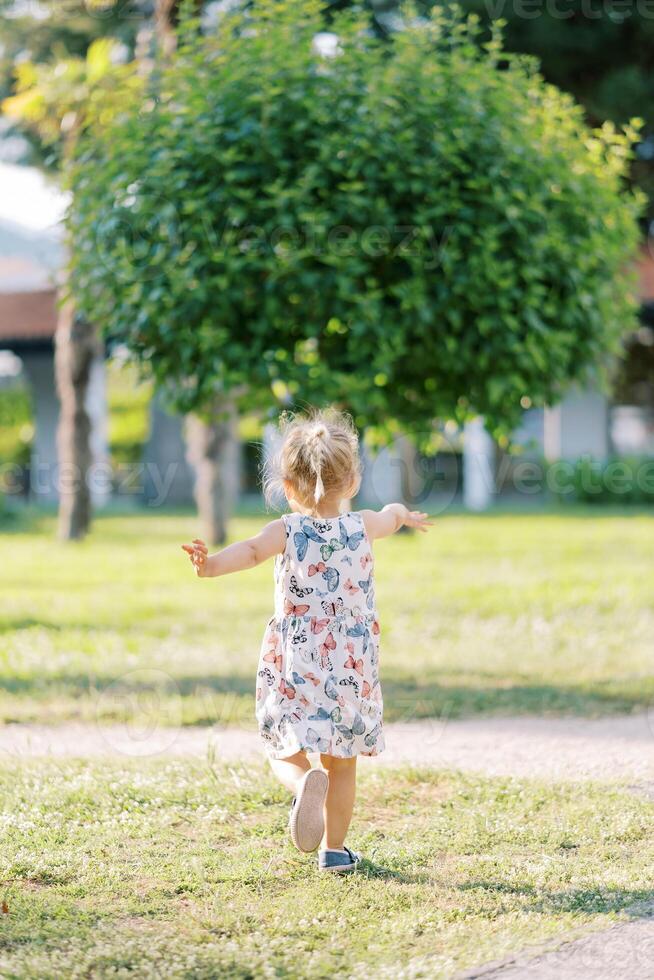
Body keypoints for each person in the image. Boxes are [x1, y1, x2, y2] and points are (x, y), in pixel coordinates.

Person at [182, 409, 431, 873]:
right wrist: (404, 514)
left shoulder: (287, 530)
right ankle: (334, 852)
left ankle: (302, 789)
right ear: (353, 479)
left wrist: (209, 564)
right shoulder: (363, 525)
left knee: (282, 742)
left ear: (288, 487)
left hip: (299, 660)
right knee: (343, 761)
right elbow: (391, 516)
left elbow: (251, 551)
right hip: (351, 664)